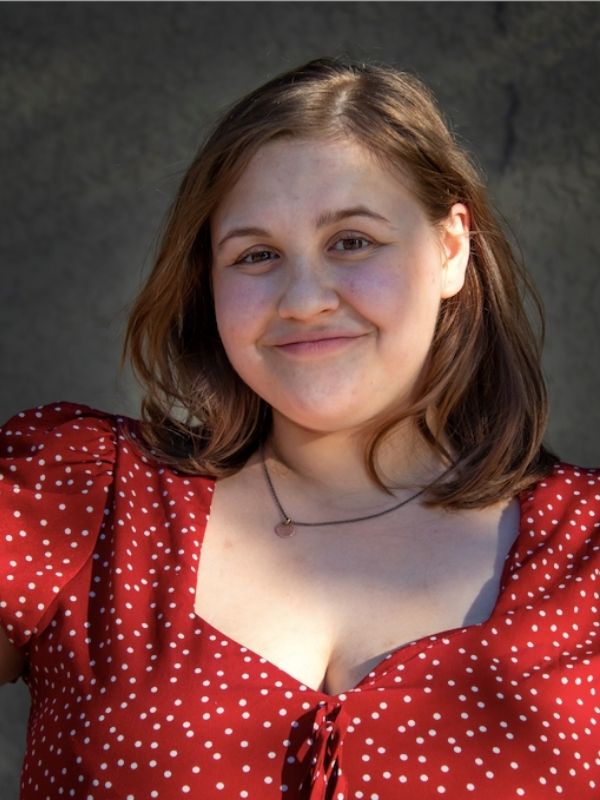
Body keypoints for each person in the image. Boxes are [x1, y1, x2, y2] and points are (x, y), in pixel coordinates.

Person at [0, 57, 598, 800]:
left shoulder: (586, 553)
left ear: (451, 250)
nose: (305, 299)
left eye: (352, 241)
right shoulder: (88, 498)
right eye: (256, 255)